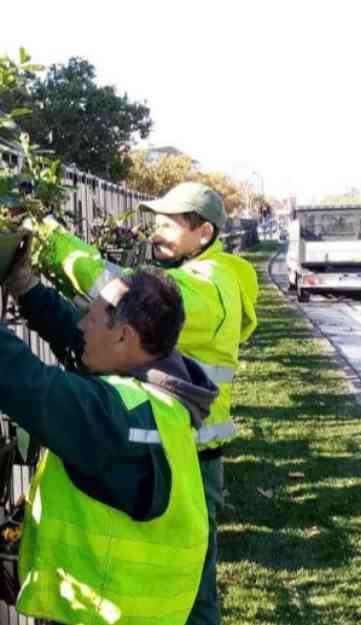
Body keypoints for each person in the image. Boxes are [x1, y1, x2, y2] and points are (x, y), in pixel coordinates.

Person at [0, 220, 217, 625]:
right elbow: (79, 342)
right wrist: (28, 289)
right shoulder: (159, 397)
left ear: (124, 338)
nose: (82, 323)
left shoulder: (122, 420)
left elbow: (29, 385)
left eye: (94, 318)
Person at [27, 182, 259, 625]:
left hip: (190, 454)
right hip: (183, 447)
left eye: (169, 225)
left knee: (188, 587)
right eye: (156, 222)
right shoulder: (204, 276)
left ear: (204, 232)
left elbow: (119, 295)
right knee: (182, 576)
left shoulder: (207, 287)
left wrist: (52, 239)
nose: (155, 232)